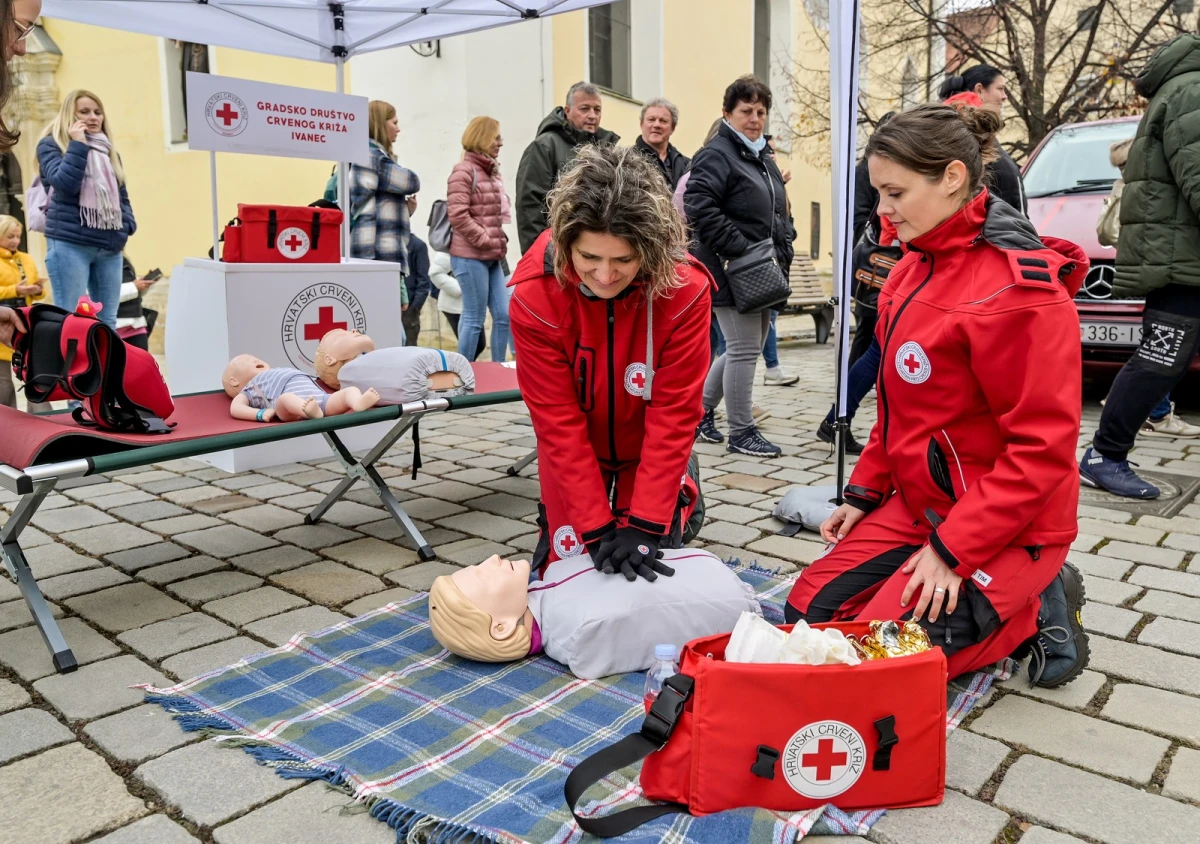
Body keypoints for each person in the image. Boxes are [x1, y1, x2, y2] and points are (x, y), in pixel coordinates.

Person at [785, 103, 1091, 689]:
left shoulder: (1021, 292)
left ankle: (1034, 607)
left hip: (1008, 525)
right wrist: (866, 490)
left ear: (952, 178)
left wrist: (953, 552)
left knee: (879, 661)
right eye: (878, 191)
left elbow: (1043, 451)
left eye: (895, 191)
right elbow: (899, 403)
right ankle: (955, 589)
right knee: (807, 619)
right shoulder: (908, 270)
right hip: (923, 504)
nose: (883, 210)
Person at [509, 145, 711, 578]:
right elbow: (556, 421)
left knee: (650, 572)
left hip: (648, 447)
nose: (604, 276)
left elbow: (675, 414)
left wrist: (645, 523)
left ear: (650, 250)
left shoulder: (685, 291)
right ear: (566, 245)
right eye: (589, 257)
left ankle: (680, 505)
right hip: (575, 452)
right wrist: (595, 527)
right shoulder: (535, 297)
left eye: (623, 260)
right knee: (572, 567)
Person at [1081, 34, 1200, 498]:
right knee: (1161, 358)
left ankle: (1106, 453)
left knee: (1164, 358)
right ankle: (1104, 455)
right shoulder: (1191, 90)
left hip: (1180, 251)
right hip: (1181, 256)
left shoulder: (1182, 87)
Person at [428, 551, 760, 679]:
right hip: (729, 601)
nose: (493, 558)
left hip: (708, 570)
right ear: (500, 627)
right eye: (483, 576)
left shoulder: (553, 575)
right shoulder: (582, 636)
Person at [687, 75, 794, 457]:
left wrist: (786, 236)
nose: (754, 118)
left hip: (760, 267)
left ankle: (699, 415)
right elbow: (699, 207)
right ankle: (742, 431)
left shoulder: (760, 155)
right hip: (731, 268)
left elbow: (775, 209)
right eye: (746, 111)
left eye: (761, 111)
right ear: (727, 113)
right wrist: (739, 248)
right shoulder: (718, 153)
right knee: (744, 348)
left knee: (738, 348)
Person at [1096, 137, 1200, 440]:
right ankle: (1147, 410)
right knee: (1165, 351)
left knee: (1160, 348)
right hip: (1165, 275)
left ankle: (1141, 405)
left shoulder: (1125, 185)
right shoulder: (1151, 187)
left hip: (1146, 274)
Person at [37, 90, 136, 328]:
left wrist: (127, 225)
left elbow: (121, 194)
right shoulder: (51, 145)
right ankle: (71, 366)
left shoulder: (108, 151)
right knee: (70, 317)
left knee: (108, 321)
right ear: (69, 115)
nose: (93, 117)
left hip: (109, 246)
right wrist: (78, 146)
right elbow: (64, 185)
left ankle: (104, 367)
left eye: (97, 112)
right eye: (84, 112)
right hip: (69, 244)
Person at [515, 82, 619, 254]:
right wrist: (541, 255)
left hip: (595, 252)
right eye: (584, 109)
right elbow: (530, 206)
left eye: (597, 110)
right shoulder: (545, 146)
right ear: (567, 111)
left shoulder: (605, 148)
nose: (592, 115)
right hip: (556, 251)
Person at [447, 116, 511, 362]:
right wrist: (486, 239)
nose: (500, 143)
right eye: (496, 137)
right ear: (482, 137)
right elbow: (458, 215)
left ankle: (498, 369)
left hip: (492, 256)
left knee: (504, 315)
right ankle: (463, 375)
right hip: (469, 256)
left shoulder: (491, 172)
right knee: (474, 318)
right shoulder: (463, 171)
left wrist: (495, 243)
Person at [939, 67, 1026, 215]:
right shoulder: (969, 136)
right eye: (1000, 88)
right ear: (979, 90)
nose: (1004, 96)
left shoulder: (972, 133)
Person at [349, 100, 420, 277]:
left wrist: (405, 210)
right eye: (394, 123)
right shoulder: (373, 156)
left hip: (375, 249)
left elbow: (377, 206)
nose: (398, 129)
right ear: (380, 123)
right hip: (377, 251)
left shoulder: (370, 154)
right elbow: (412, 181)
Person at [0, 215, 49, 411]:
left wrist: (38, 290)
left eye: (18, 236)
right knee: (3, 384)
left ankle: (40, 422)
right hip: (1, 326)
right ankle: (6, 424)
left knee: (35, 375)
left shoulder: (25, 258)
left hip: (24, 325)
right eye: (10, 236)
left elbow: (37, 288)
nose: (16, 241)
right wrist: (15, 290)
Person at [429, 249, 486, 360]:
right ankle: (463, 370)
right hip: (453, 305)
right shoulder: (451, 244)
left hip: (473, 304)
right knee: (473, 345)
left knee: (479, 344)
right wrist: (462, 289)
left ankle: (467, 370)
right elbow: (435, 273)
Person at [634, 97, 689, 191]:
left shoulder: (687, 165)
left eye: (663, 121)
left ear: (672, 128)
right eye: (651, 119)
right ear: (641, 124)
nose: (656, 125)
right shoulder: (628, 160)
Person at [116, 256, 158, 351]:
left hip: (136, 324)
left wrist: (142, 285)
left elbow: (135, 293)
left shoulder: (124, 260)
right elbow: (101, 297)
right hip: (115, 326)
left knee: (142, 363)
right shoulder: (95, 263)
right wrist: (133, 287)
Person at [402, 234, 432, 346]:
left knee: (408, 349)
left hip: (409, 310)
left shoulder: (418, 245)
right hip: (390, 307)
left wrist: (414, 308)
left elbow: (424, 281)